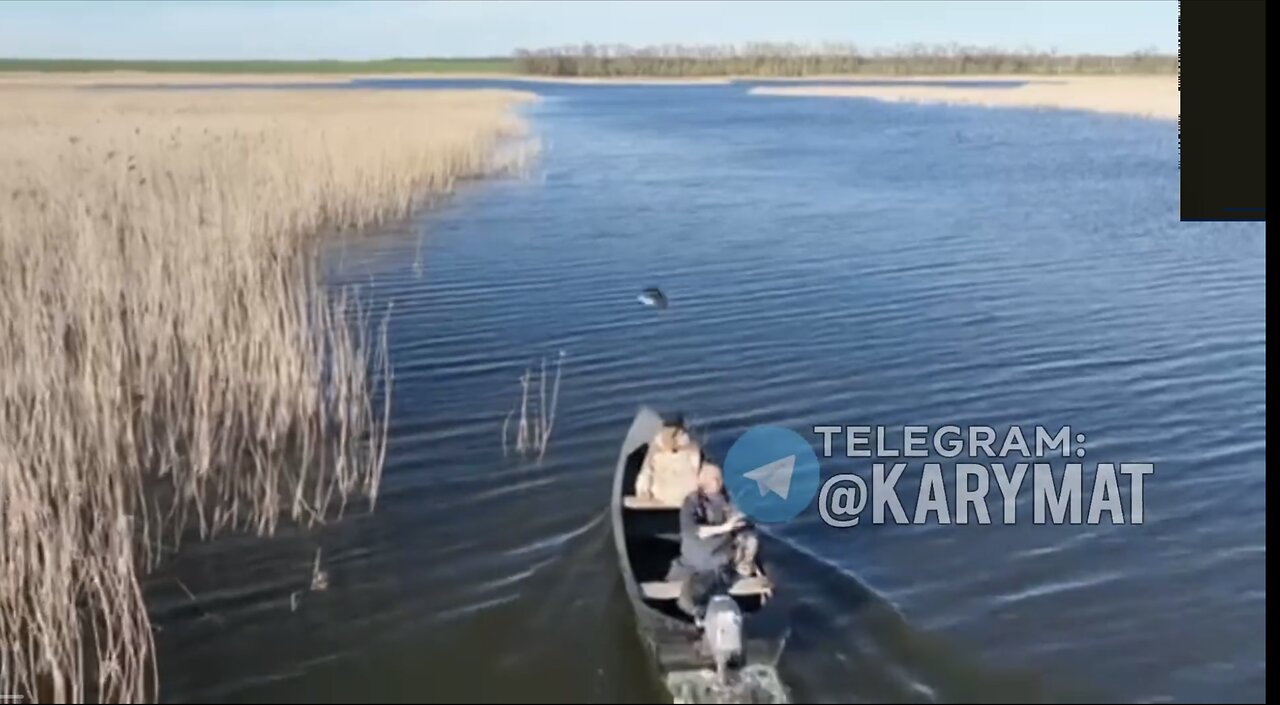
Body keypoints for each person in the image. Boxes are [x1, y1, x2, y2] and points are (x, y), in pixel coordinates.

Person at [669, 461, 761, 623]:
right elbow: (694, 531)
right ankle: (699, 613)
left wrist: (740, 519)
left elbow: (740, 516)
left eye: (720, 478)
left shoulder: (727, 498)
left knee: (750, 537)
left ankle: (742, 566)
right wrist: (725, 527)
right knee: (694, 591)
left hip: (720, 555)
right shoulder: (691, 503)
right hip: (700, 559)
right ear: (704, 481)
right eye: (715, 479)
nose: (720, 482)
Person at [633, 416, 702, 507]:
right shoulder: (693, 448)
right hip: (688, 498)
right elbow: (697, 468)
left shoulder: (655, 449)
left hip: (662, 499)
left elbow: (645, 473)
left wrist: (642, 492)